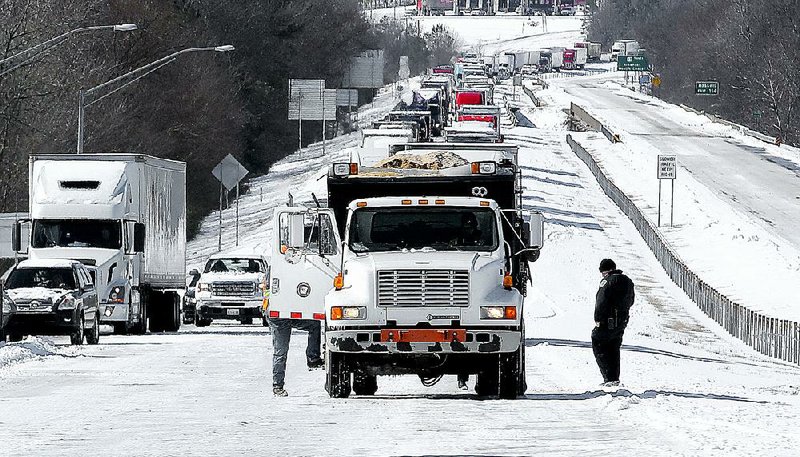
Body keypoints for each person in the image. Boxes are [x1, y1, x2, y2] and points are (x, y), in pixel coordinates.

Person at [592, 258, 635, 387]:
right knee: (614, 347)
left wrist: (598, 318)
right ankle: (614, 377)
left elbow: (601, 300)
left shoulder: (607, 281)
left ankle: (608, 378)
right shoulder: (628, 281)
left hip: (607, 320)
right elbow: (631, 300)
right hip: (622, 319)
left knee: (599, 344)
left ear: (607, 270)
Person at [268, 317, 324, 397]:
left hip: (284, 316)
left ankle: (313, 359)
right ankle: (277, 386)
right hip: (279, 320)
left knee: (314, 324)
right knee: (281, 353)